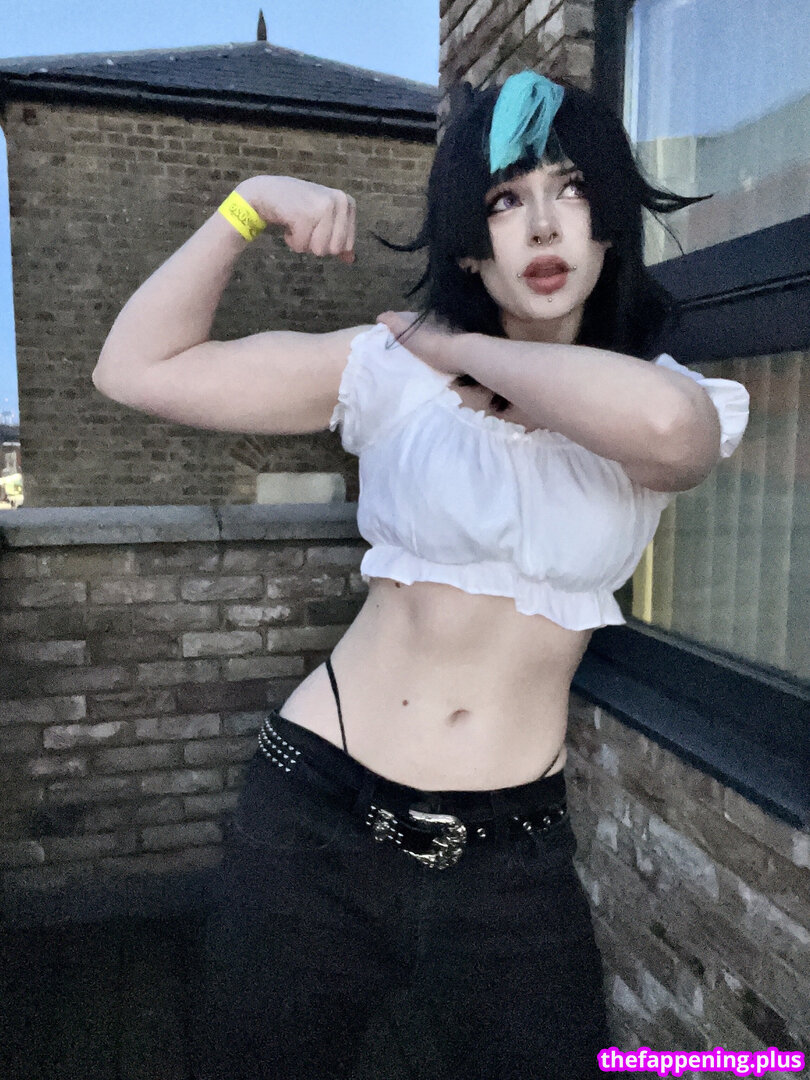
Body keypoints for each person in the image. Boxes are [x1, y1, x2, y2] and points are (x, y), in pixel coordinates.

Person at [93, 70, 750, 1080]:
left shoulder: (658, 393)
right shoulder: (390, 372)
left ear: (611, 222)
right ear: (468, 238)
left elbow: (671, 436)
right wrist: (248, 205)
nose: (542, 226)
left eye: (572, 189)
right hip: (318, 815)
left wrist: (460, 347)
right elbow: (135, 369)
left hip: (511, 857)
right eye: (505, 199)